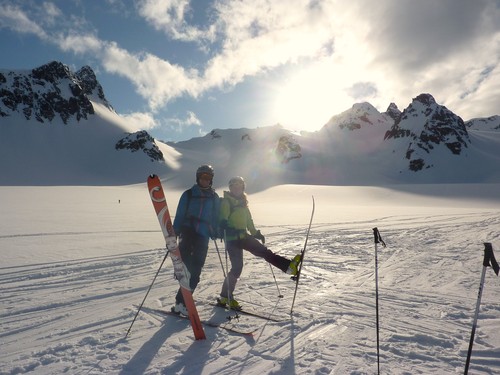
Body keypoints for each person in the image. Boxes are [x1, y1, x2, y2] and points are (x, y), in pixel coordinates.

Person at [217, 176, 301, 310]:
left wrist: (256, 233)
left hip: (243, 236)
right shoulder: (226, 202)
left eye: (239, 187)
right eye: (234, 186)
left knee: (265, 252)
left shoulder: (243, 203)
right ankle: (225, 296)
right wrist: (224, 225)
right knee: (237, 268)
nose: (237, 189)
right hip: (232, 240)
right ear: (230, 188)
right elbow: (222, 218)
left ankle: (289, 267)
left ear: (243, 188)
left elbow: (249, 222)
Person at [172, 165, 220, 315]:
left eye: (208, 178)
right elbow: (180, 214)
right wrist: (175, 231)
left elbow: (216, 217)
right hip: (188, 233)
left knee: (196, 271)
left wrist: (215, 230)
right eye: (202, 177)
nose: (205, 180)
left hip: (203, 236)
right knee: (185, 269)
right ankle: (183, 302)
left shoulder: (214, 197)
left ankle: (182, 302)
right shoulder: (188, 194)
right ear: (197, 178)